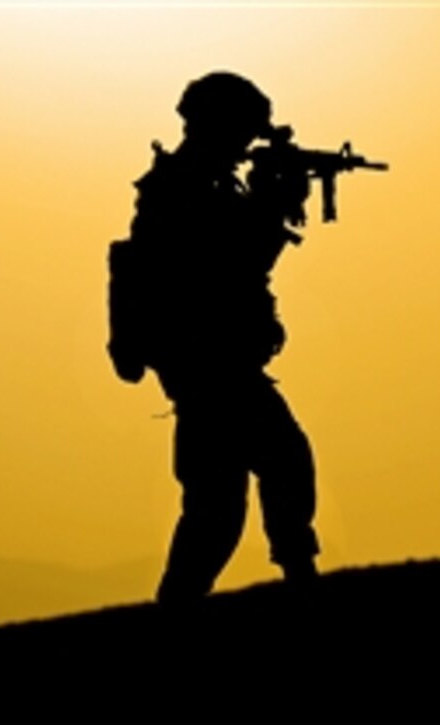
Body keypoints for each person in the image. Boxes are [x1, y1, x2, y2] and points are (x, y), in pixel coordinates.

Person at [111, 72, 319, 604]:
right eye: (243, 130)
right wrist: (275, 206)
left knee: (219, 506)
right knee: (270, 469)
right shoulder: (182, 189)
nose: (248, 143)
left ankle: (185, 606)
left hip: (213, 364)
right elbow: (231, 264)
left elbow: (241, 265)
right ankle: (301, 584)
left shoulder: (205, 184)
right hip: (207, 366)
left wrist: (271, 202)